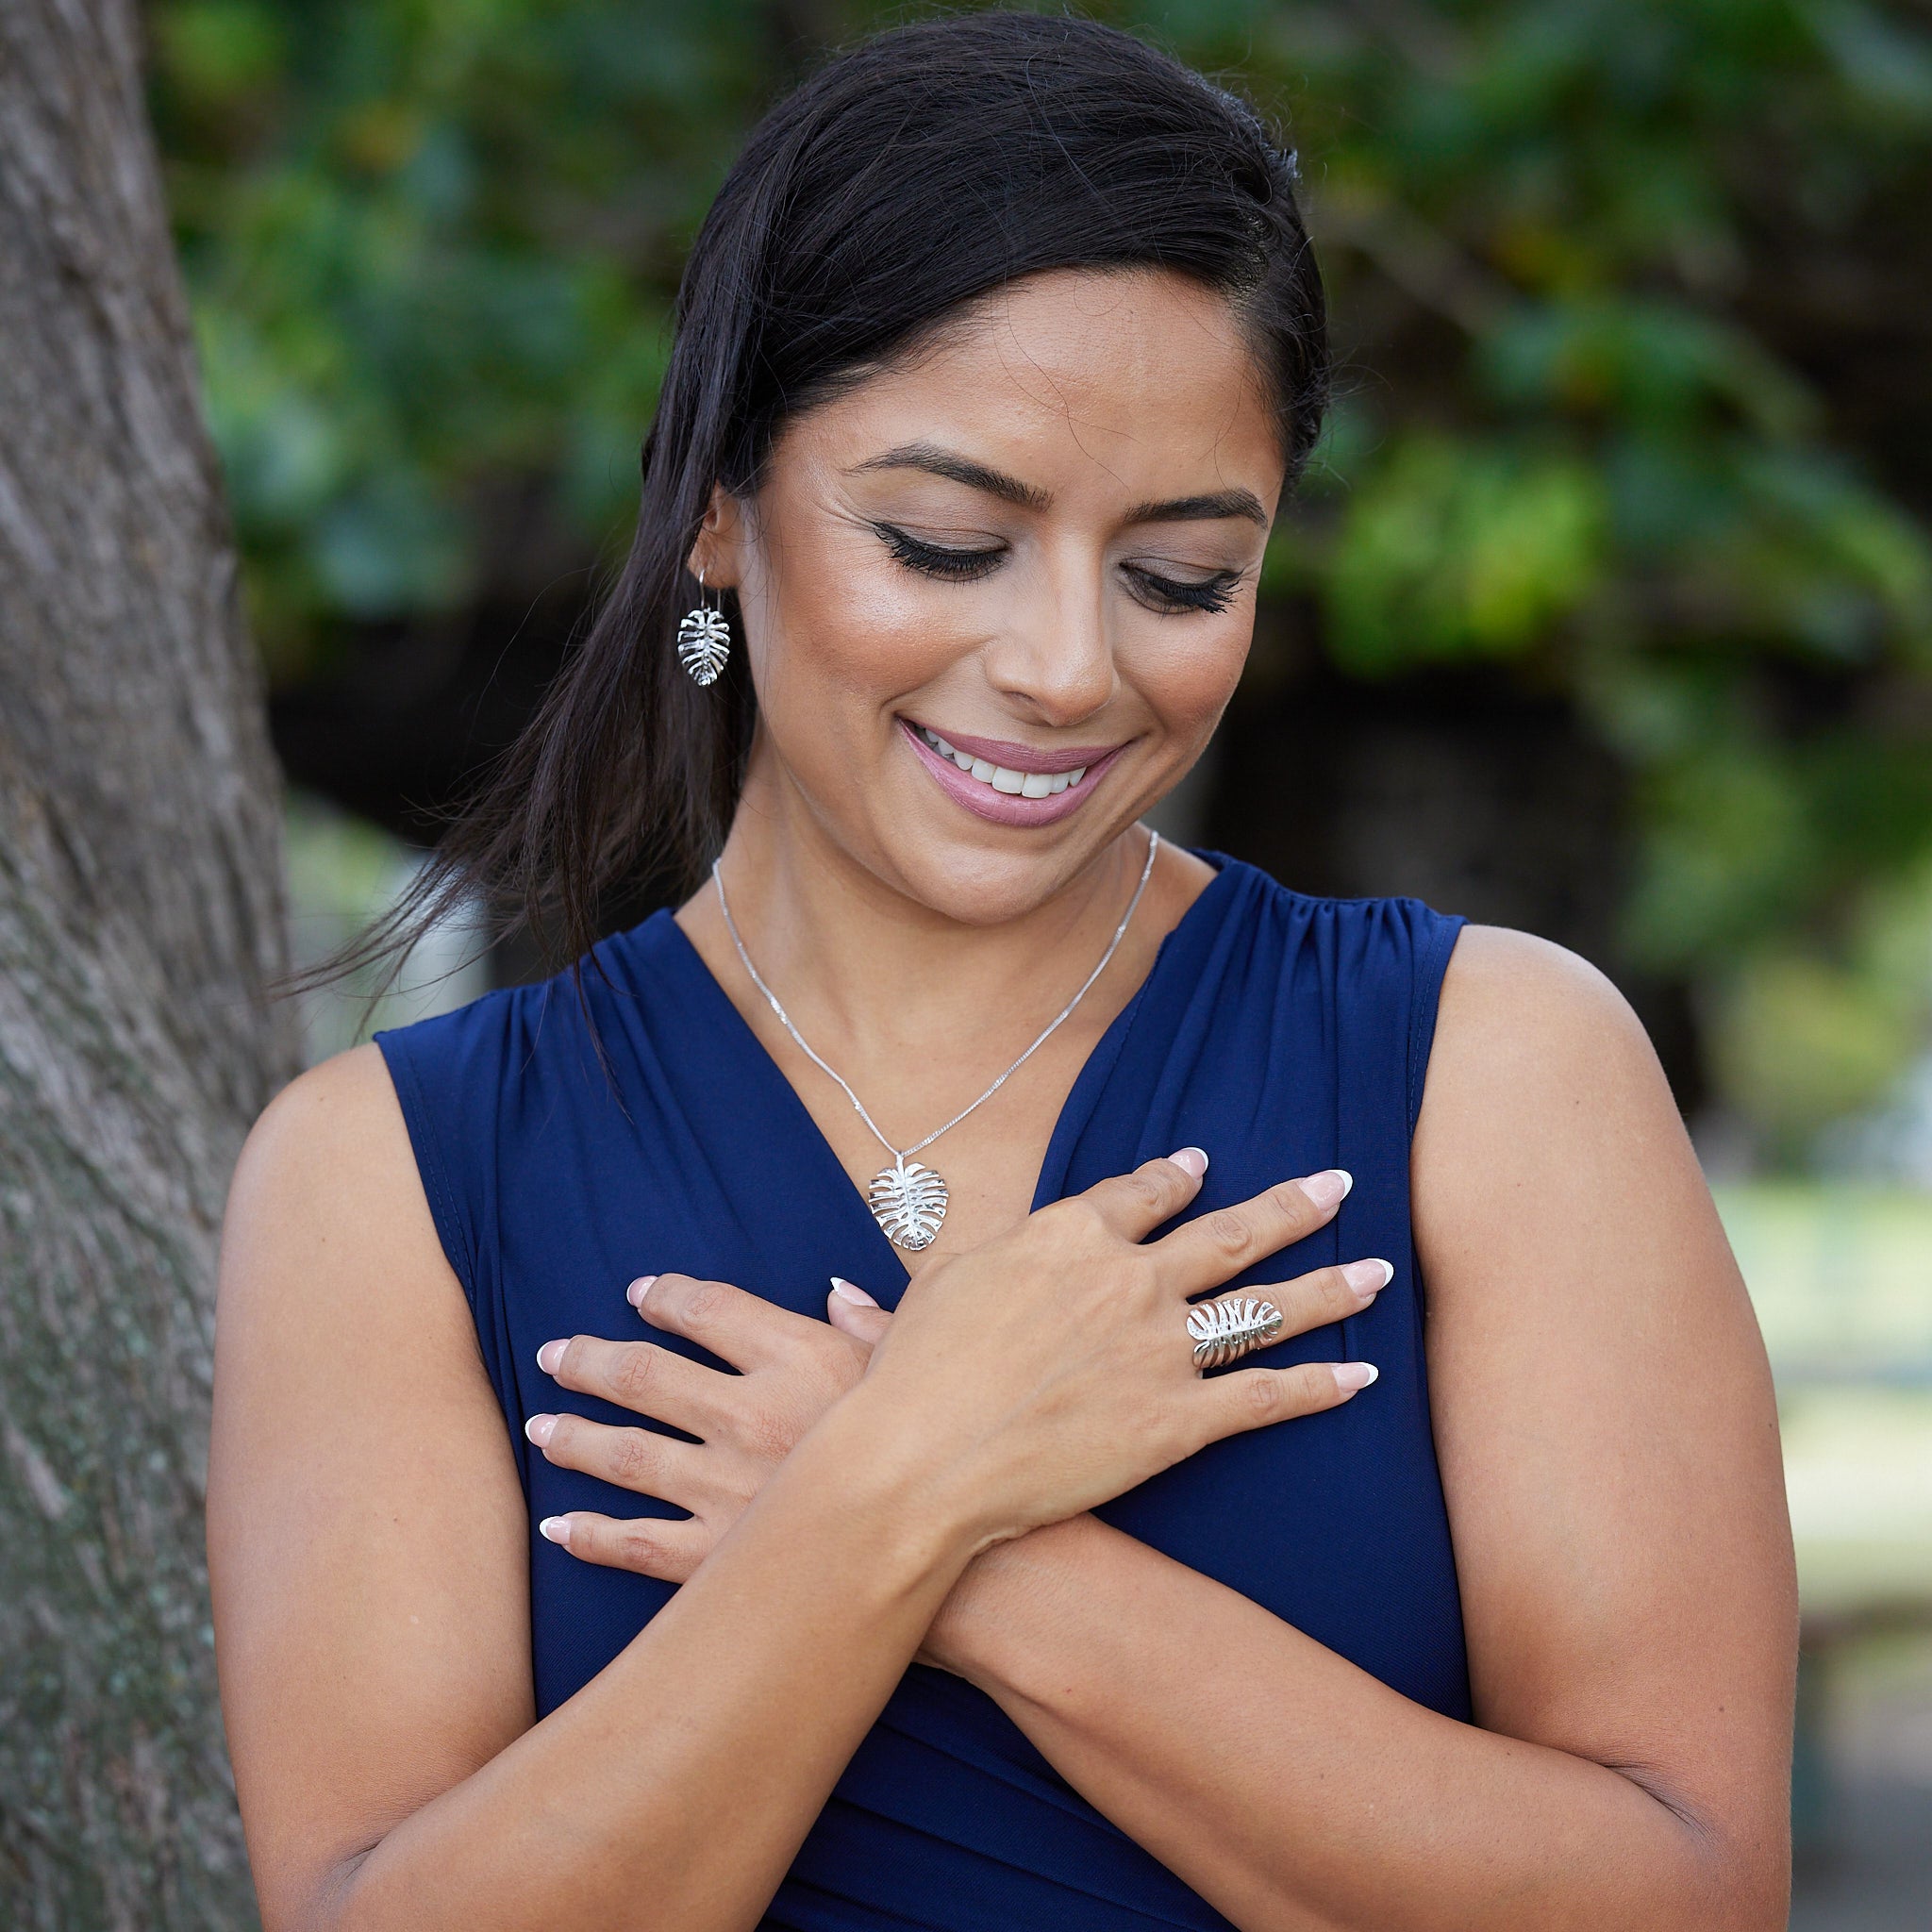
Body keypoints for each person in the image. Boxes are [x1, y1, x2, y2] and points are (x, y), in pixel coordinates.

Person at [207, 13, 1797, 1930]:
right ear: (718, 504)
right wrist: (900, 1485)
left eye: (1181, 574)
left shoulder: (1493, 1067)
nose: (1064, 666)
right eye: (946, 539)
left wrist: (987, 1557)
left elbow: (1681, 1896)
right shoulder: (386, 1175)